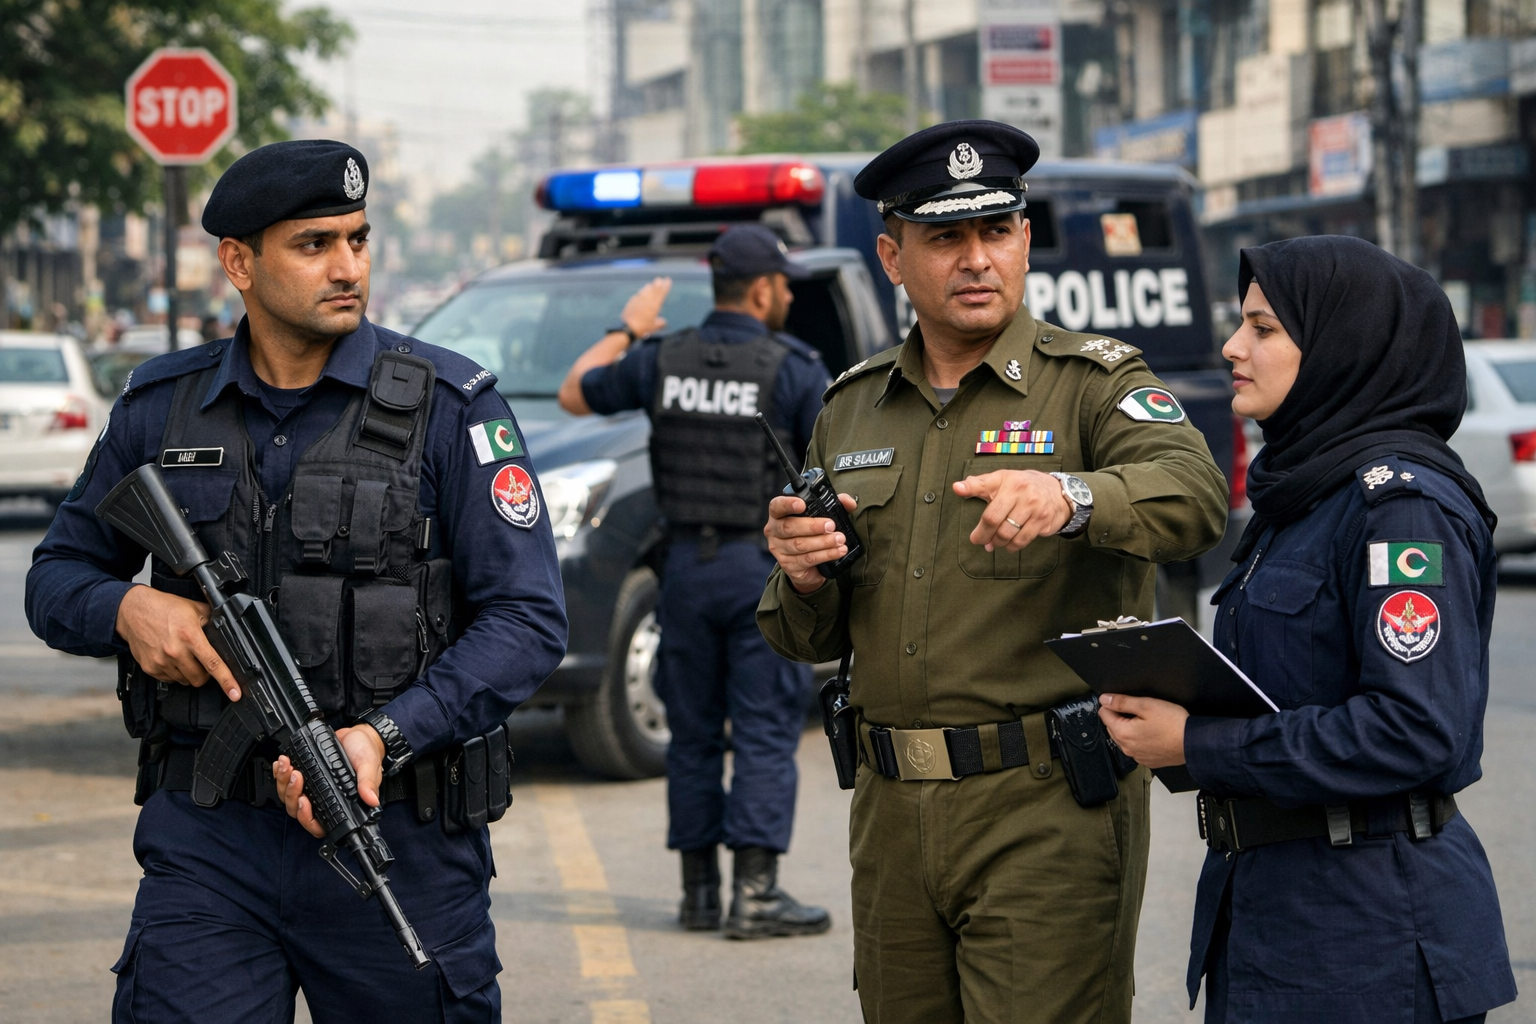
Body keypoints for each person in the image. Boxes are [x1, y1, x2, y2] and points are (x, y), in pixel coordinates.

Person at [26, 140, 568, 1022]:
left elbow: (527, 620)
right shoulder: (161, 406)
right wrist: (125, 607)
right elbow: (54, 577)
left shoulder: (450, 407)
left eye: (358, 239)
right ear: (238, 263)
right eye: (314, 244)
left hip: (396, 835)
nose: (347, 265)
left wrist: (384, 737)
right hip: (210, 842)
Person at [756, 120, 1229, 1023]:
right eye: (946, 238)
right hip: (892, 811)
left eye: (998, 232)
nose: (978, 260)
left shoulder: (1091, 382)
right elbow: (803, 633)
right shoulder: (852, 410)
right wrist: (804, 574)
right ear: (893, 258)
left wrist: (1074, 497)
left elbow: (1194, 494)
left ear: (1021, 240)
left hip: (1045, 806)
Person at [1098, 235, 1518, 1023]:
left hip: (1371, 938)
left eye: (1263, 328)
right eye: (1239, 324)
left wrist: (1197, 744)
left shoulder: (1401, 507)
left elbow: (1415, 729)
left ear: (1340, 346)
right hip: (1279, 912)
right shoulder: (1306, 497)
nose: (1233, 347)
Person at [556, 224, 832, 939]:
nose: (789, 295)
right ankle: (758, 895)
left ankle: (700, 895)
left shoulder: (659, 358)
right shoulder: (794, 367)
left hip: (683, 571)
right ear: (765, 289)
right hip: (759, 571)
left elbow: (572, 394)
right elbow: (834, 467)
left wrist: (627, 327)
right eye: (785, 285)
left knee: (694, 735)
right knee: (767, 730)